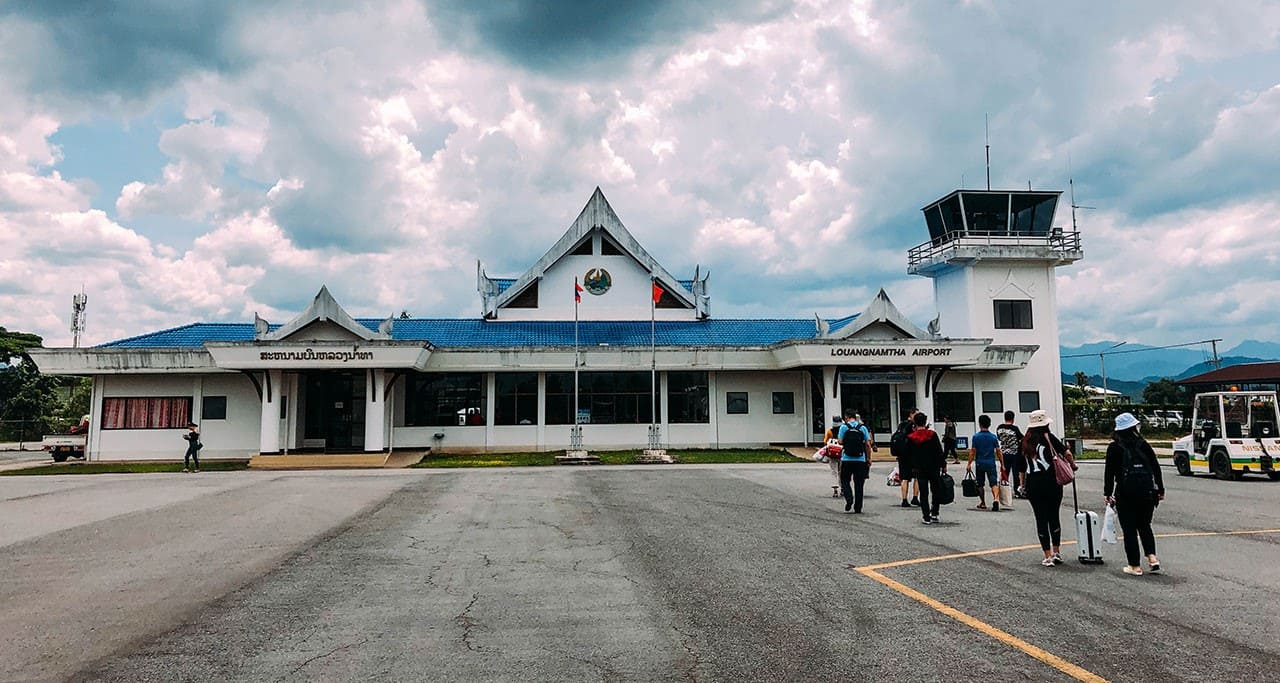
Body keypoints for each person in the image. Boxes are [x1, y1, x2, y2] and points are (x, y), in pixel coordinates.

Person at [1104, 412, 1165, 576]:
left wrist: (1107, 493)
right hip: (1147, 492)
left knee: (1129, 529)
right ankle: (1152, 558)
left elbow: (1109, 473)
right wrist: (1160, 489)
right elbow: (1155, 466)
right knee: (1145, 526)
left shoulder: (1114, 447)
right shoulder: (1143, 444)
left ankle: (1134, 566)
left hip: (1125, 493)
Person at [1021, 409, 1074, 566]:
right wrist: (1073, 465)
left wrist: (1022, 485)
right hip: (1052, 483)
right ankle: (1057, 552)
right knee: (1054, 516)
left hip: (1033, 485)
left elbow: (1021, 468)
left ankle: (1047, 555)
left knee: (1040, 518)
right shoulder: (1049, 438)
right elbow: (1068, 453)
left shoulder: (1024, 442)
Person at [906, 411, 946, 524]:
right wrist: (943, 464)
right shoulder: (932, 435)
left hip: (919, 468)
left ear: (915, 423)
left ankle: (926, 516)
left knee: (923, 492)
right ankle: (935, 512)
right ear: (925, 422)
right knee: (935, 490)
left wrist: (912, 466)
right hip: (934, 467)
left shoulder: (911, 437)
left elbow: (908, 453)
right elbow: (939, 451)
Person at [837, 409, 873, 513]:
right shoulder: (863, 428)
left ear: (846, 417)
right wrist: (868, 458)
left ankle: (849, 499)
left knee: (844, 480)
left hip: (846, 459)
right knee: (859, 484)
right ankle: (858, 507)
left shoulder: (844, 427)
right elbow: (867, 444)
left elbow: (840, 441)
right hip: (860, 459)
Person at [966, 414, 1003, 511]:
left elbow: (973, 451)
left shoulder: (976, 437)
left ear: (979, 424)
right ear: (989, 424)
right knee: (993, 482)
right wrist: (1002, 464)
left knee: (980, 483)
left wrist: (969, 463)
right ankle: (995, 499)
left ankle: (983, 502)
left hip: (980, 462)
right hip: (991, 462)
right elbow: (998, 451)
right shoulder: (993, 437)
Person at [892, 408, 920, 507]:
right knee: (917, 476)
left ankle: (904, 499)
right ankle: (915, 498)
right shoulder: (914, 426)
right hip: (913, 454)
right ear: (911, 415)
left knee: (904, 478)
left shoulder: (901, 425)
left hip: (902, 455)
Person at [996, 411, 1025, 498]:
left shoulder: (999, 428)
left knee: (1005, 472)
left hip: (1004, 453)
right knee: (1015, 473)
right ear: (1013, 418)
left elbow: (999, 438)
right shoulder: (1014, 429)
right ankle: (1016, 491)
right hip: (1014, 453)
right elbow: (1021, 438)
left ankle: (1003, 490)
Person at [823, 415, 843, 498]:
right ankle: (843, 489)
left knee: (834, 472)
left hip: (832, 454)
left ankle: (835, 490)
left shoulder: (829, 431)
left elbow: (825, 441)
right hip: (842, 454)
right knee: (841, 472)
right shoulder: (843, 431)